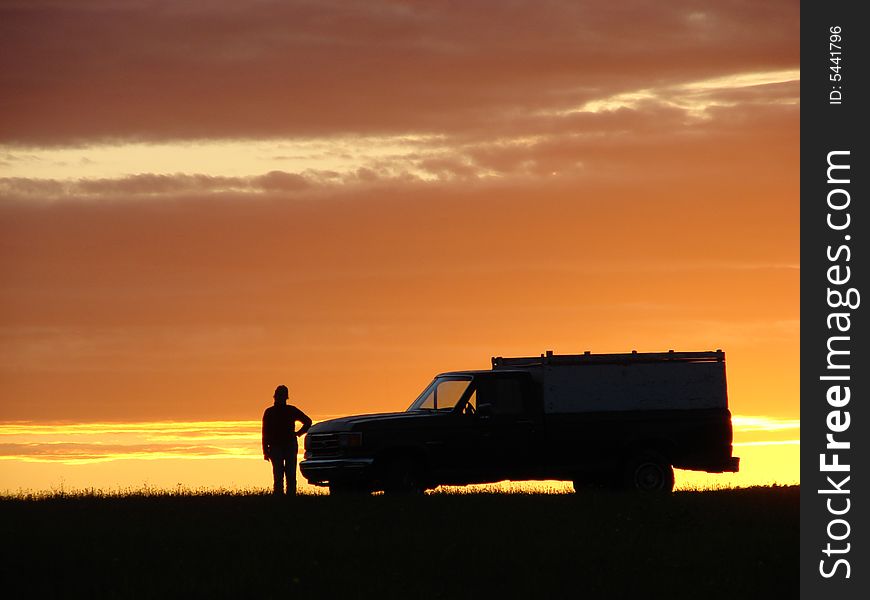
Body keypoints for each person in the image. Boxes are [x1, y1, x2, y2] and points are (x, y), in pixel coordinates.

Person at [262, 385, 312, 496]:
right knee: (279, 475)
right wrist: (265, 451)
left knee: (289, 474)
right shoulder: (270, 412)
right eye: (279, 395)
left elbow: (308, 422)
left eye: (282, 396)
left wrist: (298, 433)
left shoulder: (288, 410)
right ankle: (281, 498)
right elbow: (265, 432)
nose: (280, 398)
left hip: (287, 445)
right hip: (277, 446)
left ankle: (289, 498)